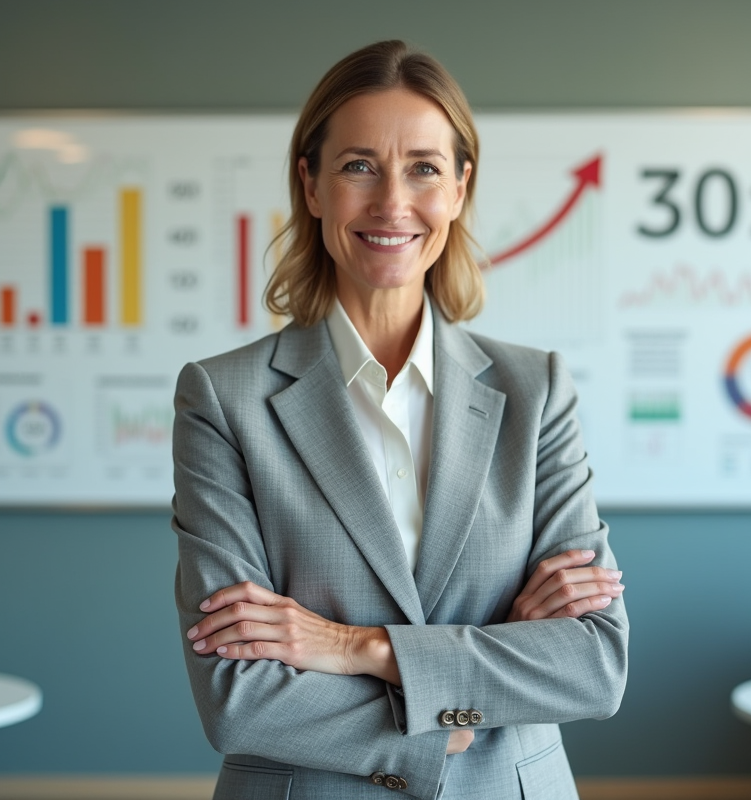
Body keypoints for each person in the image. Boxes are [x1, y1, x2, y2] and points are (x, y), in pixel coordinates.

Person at [172, 39, 628, 800]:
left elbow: (592, 666)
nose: (392, 203)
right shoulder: (225, 399)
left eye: (423, 167)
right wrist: (468, 693)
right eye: (358, 166)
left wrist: (354, 648)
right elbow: (237, 700)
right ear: (310, 184)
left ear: (459, 188)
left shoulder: (536, 390)